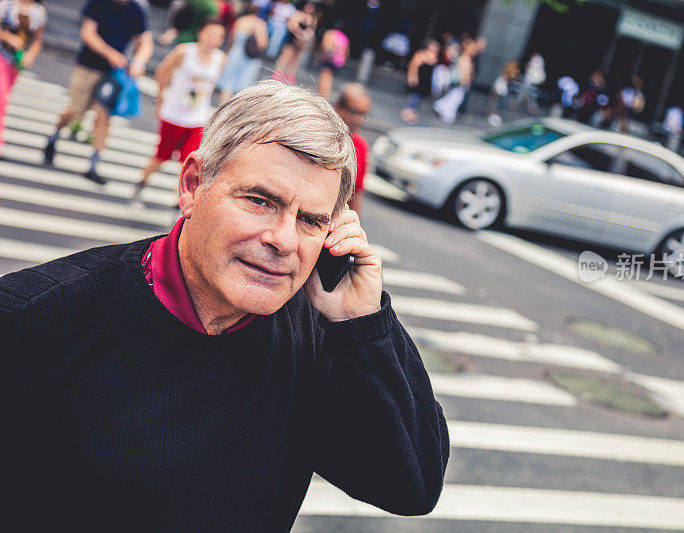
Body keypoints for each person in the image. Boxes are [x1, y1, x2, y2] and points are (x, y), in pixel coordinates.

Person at [3, 80, 449, 530]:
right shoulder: (34, 317)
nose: (283, 239)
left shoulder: (316, 342)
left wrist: (364, 326)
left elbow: (411, 484)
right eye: (259, 201)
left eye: (312, 220)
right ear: (193, 185)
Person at [42, 0, 153, 185]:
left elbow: (145, 42)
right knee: (76, 109)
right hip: (88, 66)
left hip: (113, 73)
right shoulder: (99, 3)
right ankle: (54, 136)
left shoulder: (137, 9)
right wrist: (109, 53)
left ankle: (93, 165)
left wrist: (139, 61)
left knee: (103, 116)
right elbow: (88, 33)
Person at [130, 18, 226, 208]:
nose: (213, 39)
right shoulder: (184, 51)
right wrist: (160, 97)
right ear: (201, 33)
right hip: (173, 115)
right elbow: (161, 72)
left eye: (219, 36)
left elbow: (214, 86)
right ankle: (141, 183)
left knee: (190, 163)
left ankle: (179, 205)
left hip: (197, 119)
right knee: (161, 157)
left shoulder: (221, 59)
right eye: (210, 34)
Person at [0, 0, 46, 153]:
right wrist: (8, 37)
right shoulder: (6, 4)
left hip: (16, 62)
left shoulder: (39, 11)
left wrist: (30, 56)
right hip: (1, 55)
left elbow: (37, 41)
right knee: (2, 100)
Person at [217, 1, 268, 103]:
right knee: (243, 84)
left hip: (235, 53)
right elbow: (262, 44)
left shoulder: (240, 21)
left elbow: (231, 39)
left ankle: (222, 107)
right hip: (249, 58)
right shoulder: (260, 24)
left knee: (228, 83)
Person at [334, 83, 370, 215]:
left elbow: (356, 192)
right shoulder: (317, 134)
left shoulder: (360, 146)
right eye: (354, 112)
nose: (358, 119)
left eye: (363, 115)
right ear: (338, 106)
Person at [432, 38, 478, 124]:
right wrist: (466, 81)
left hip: (459, 82)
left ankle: (443, 109)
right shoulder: (465, 58)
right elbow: (464, 71)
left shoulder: (463, 57)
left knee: (454, 97)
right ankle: (445, 112)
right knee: (456, 98)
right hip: (460, 82)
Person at [272, 0, 316, 84]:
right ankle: (278, 73)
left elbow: (311, 30)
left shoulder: (312, 19)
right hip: (292, 39)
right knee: (286, 56)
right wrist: (300, 35)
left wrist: (305, 36)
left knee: (295, 59)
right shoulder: (297, 14)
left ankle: (290, 75)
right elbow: (292, 26)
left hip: (301, 42)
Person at [400, 38, 439, 124]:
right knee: (414, 98)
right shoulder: (420, 55)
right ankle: (408, 113)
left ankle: (413, 114)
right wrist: (412, 77)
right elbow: (413, 66)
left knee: (420, 99)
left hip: (427, 82)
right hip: (419, 79)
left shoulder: (434, 57)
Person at [316, 22, 349, 101]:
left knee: (324, 78)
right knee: (330, 79)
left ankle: (321, 96)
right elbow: (347, 51)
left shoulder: (330, 33)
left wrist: (321, 55)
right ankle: (325, 96)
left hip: (329, 59)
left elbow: (325, 46)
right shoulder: (344, 37)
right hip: (338, 61)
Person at [486, 59, 519, 127]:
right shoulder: (511, 71)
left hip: (501, 85)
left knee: (495, 101)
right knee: (499, 102)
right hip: (502, 86)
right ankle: (493, 116)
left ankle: (492, 115)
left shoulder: (507, 69)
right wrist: (514, 77)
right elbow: (510, 79)